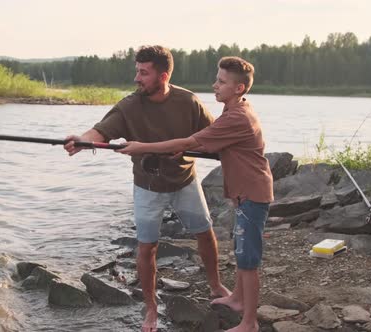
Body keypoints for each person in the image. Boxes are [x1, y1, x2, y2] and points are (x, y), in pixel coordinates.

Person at [64, 45, 231, 332]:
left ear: (163, 76)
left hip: (185, 181)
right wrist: (82, 140)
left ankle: (216, 286)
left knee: (205, 232)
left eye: (143, 72)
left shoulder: (188, 102)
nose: (136, 78)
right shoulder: (130, 105)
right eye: (136, 71)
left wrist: (197, 148)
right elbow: (101, 131)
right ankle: (151, 308)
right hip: (147, 186)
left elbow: (213, 136)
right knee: (146, 247)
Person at [117, 56, 274, 332]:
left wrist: (142, 147)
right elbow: (210, 143)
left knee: (248, 260)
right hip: (245, 194)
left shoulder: (237, 116)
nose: (214, 85)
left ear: (238, 88)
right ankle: (236, 299)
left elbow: (192, 140)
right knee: (241, 252)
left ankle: (249, 323)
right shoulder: (235, 109)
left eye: (221, 82)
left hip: (252, 194)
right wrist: (189, 148)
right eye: (217, 79)